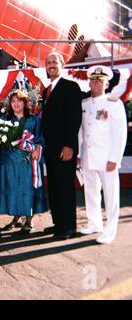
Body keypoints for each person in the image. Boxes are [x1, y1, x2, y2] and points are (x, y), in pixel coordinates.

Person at [78, 65, 127, 244]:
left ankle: (110, 230)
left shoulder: (114, 103)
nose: (96, 83)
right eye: (93, 80)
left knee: (111, 194)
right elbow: (81, 132)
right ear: (89, 83)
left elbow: (120, 133)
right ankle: (94, 223)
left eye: (100, 80)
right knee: (90, 190)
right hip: (88, 156)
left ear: (106, 84)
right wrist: (78, 153)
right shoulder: (85, 104)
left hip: (107, 158)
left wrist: (115, 159)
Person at [41, 52, 82, 240]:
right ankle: (58, 224)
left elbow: (74, 119)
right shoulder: (46, 91)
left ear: (62, 64)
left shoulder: (71, 87)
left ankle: (69, 227)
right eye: (48, 63)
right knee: (55, 187)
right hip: (50, 148)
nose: (51, 65)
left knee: (65, 187)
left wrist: (68, 145)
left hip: (65, 148)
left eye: (54, 62)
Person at [0, 90, 47, 233]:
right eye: (13, 101)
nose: (16, 103)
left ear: (25, 103)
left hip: (28, 162)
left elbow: (40, 139)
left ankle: (29, 219)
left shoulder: (34, 119)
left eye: (19, 100)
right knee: (13, 188)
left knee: (27, 189)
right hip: (10, 162)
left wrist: (38, 149)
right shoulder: (5, 119)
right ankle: (16, 217)